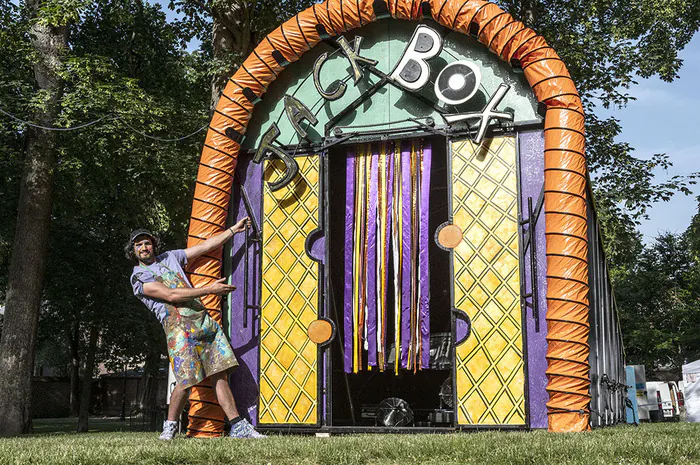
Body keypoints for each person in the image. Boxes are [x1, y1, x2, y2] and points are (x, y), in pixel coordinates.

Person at [126, 218, 264, 440]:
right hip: (178, 328)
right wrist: (210, 289)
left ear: (154, 245)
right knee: (185, 379)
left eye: (147, 243)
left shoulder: (171, 257)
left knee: (220, 374)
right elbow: (170, 295)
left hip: (203, 321)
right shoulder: (138, 276)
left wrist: (233, 230)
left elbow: (205, 247)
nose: (144, 247)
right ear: (133, 251)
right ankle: (169, 427)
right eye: (138, 245)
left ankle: (238, 427)